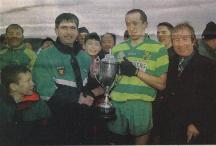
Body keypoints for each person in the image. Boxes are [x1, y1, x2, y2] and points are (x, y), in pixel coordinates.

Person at [107, 9, 169, 145]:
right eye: (128, 24)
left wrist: (136, 72)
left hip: (141, 105)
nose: (131, 28)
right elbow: (110, 80)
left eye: (135, 23)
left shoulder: (159, 49)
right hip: (116, 103)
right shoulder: (118, 48)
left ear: (145, 24)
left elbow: (161, 84)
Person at [32, 13, 95, 144]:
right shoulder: (45, 55)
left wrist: (92, 92)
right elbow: (45, 90)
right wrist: (78, 98)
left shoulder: (85, 57)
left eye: (72, 28)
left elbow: (86, 85)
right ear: (56, 30)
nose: (68, 32)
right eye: (64, 27)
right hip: (57, 119)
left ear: (77, 31)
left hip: (84, 117)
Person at [160, 23, 216, 144]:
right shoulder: (169, 63)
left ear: (193, 40)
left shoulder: (208, 65)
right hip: (169, 127)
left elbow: (212, 100)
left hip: (193, 129)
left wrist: (197, 124)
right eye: (176, 40)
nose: (180, 44)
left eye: (185, 39)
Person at [0, 64, 51, 145]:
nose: (33, 83)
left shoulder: (38, 103)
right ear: (13, 87)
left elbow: (46, 129)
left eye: (32, 80)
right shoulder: (3, 106)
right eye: (28, 81)